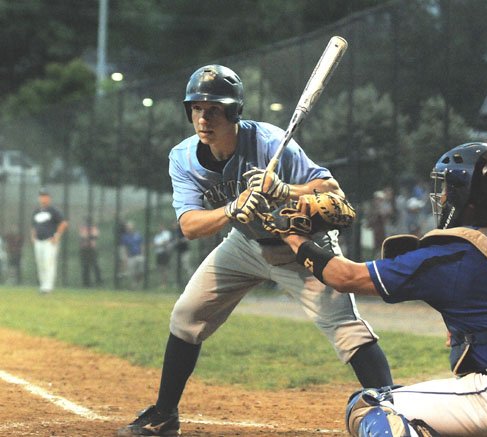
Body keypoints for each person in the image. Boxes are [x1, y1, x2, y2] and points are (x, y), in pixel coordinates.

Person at [117, 64, 393, 436]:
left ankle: (393, 413)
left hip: (300, 245)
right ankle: (165, 414)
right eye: (196, 108)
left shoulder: (268, 141)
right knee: (186, 316)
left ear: (233, 112)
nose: (203, 118)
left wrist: (283, 189)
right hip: (245, 244)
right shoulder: (182, 158)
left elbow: (333, 192)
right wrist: (231, 210)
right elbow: (189, 225)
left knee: (348, 332)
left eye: (213, 109)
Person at [276, 142, 487, 437]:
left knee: (369, 405)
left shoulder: (446, 255)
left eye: (447, 187)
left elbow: (344, 277)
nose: (443, 195)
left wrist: (289, 235)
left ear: (465, 196)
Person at [30, 188, 68, 293]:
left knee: (48, 263)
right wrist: (33, 237)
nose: (43, 198)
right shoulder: (36, 211)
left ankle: (48, 287)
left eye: (45, 196)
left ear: (49, 198)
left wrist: (57, 235)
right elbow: (33, 226)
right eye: (41, 196)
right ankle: (43, 286)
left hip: (49, 241)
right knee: (40, 263)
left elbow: (63, 223)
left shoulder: (53, 210)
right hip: (38, 241)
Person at [119, 221, 144, 290]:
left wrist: (142, 254)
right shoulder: (125, 237)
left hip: (139, 255)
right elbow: (125, 248)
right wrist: (126, 257)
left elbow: (141, 245)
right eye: (127, 227)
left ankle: (137, 283)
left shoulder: (138, 235)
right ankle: (134, 286)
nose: (129, 228)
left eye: (130, 227)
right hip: (131, 256)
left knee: (141, 271)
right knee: (132, 272)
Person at [78, 216, 102, 287]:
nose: (87, 223)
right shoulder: (83, 228)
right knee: (85, 266)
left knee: (95, 265)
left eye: (89, 222)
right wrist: (89, 236)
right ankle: (86, 283)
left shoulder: (94, 228)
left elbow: (95, 236)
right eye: (87, 221)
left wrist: (89, 237)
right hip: (84, 249)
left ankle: (99, 281)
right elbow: (83, 237)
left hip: (92, 249)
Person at [153, 223, 173, 288]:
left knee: (165, 268)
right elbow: (155, 244)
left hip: (165, 253)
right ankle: (161, 283)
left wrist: (160, 244)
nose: (160, 228)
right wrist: (160, 244)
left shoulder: (166, 233)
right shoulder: (157, 236)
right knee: (160, 268)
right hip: (159, 253)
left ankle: (165, 283)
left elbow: (166, 242)